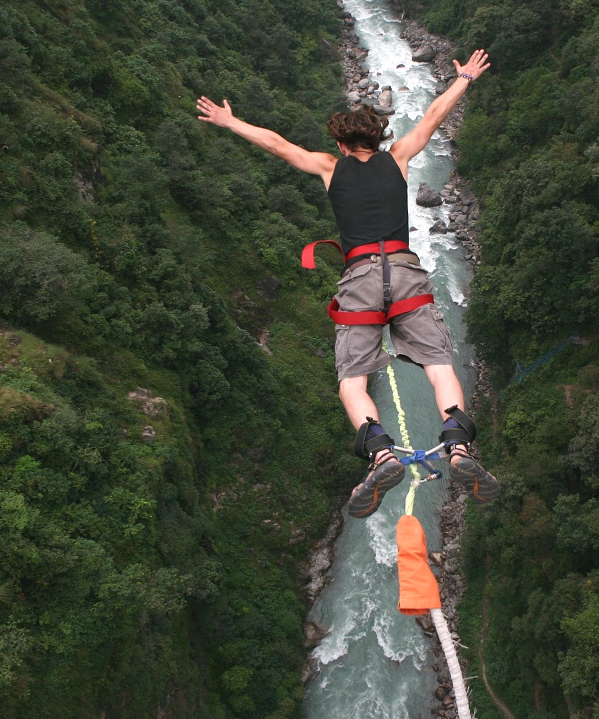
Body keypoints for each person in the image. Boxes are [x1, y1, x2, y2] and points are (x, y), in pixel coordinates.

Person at [197, 49, 499, 517]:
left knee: (352, 383)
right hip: (405, 273)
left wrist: (229, 122)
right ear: (378, 140)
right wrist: (463, 78)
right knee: (439, 366)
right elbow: (434, 116)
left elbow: (277, 144)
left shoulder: (329, 167)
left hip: (359, 279)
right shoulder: (398, 157)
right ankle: (458, 449)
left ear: (340, 145)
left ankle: (380, 454)